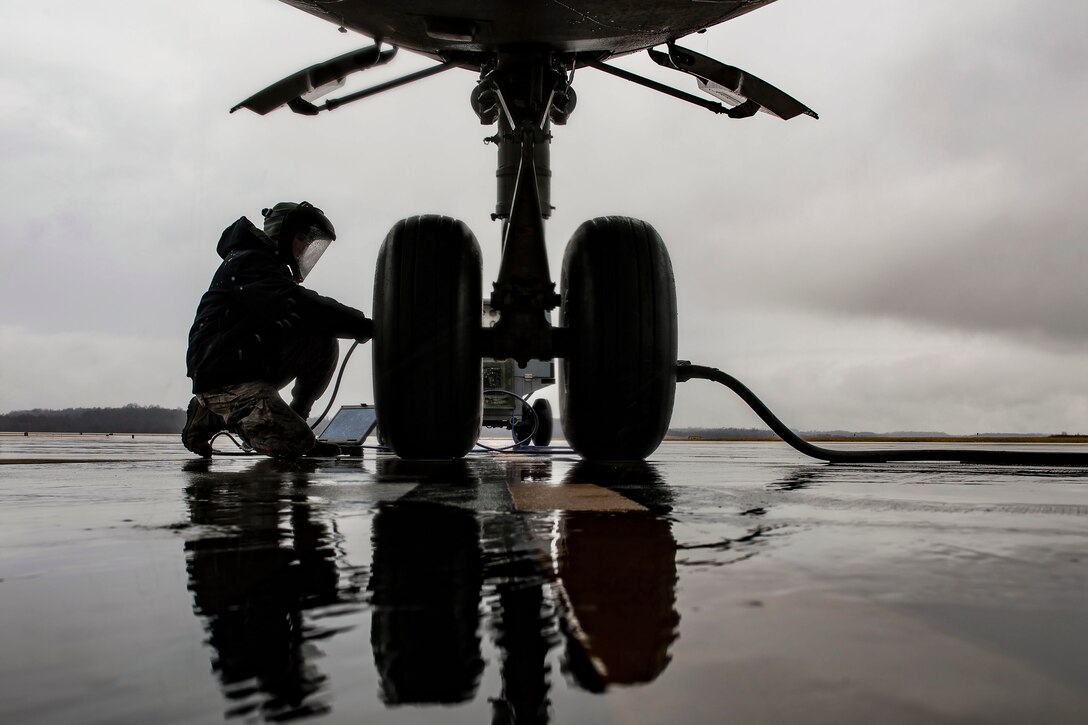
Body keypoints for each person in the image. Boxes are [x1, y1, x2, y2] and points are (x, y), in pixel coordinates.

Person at [182, 201, 373, 458]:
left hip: (248, 364)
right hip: (224, 376)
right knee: (294, 443)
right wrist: (360, 324)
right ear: (282, 234)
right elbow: (302, 305)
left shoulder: (266, 267)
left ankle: (294, 418)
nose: (305, 248)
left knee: (322, 338)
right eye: (302, 239)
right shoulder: (249, 262)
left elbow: (304, 315)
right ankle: (213, 413)